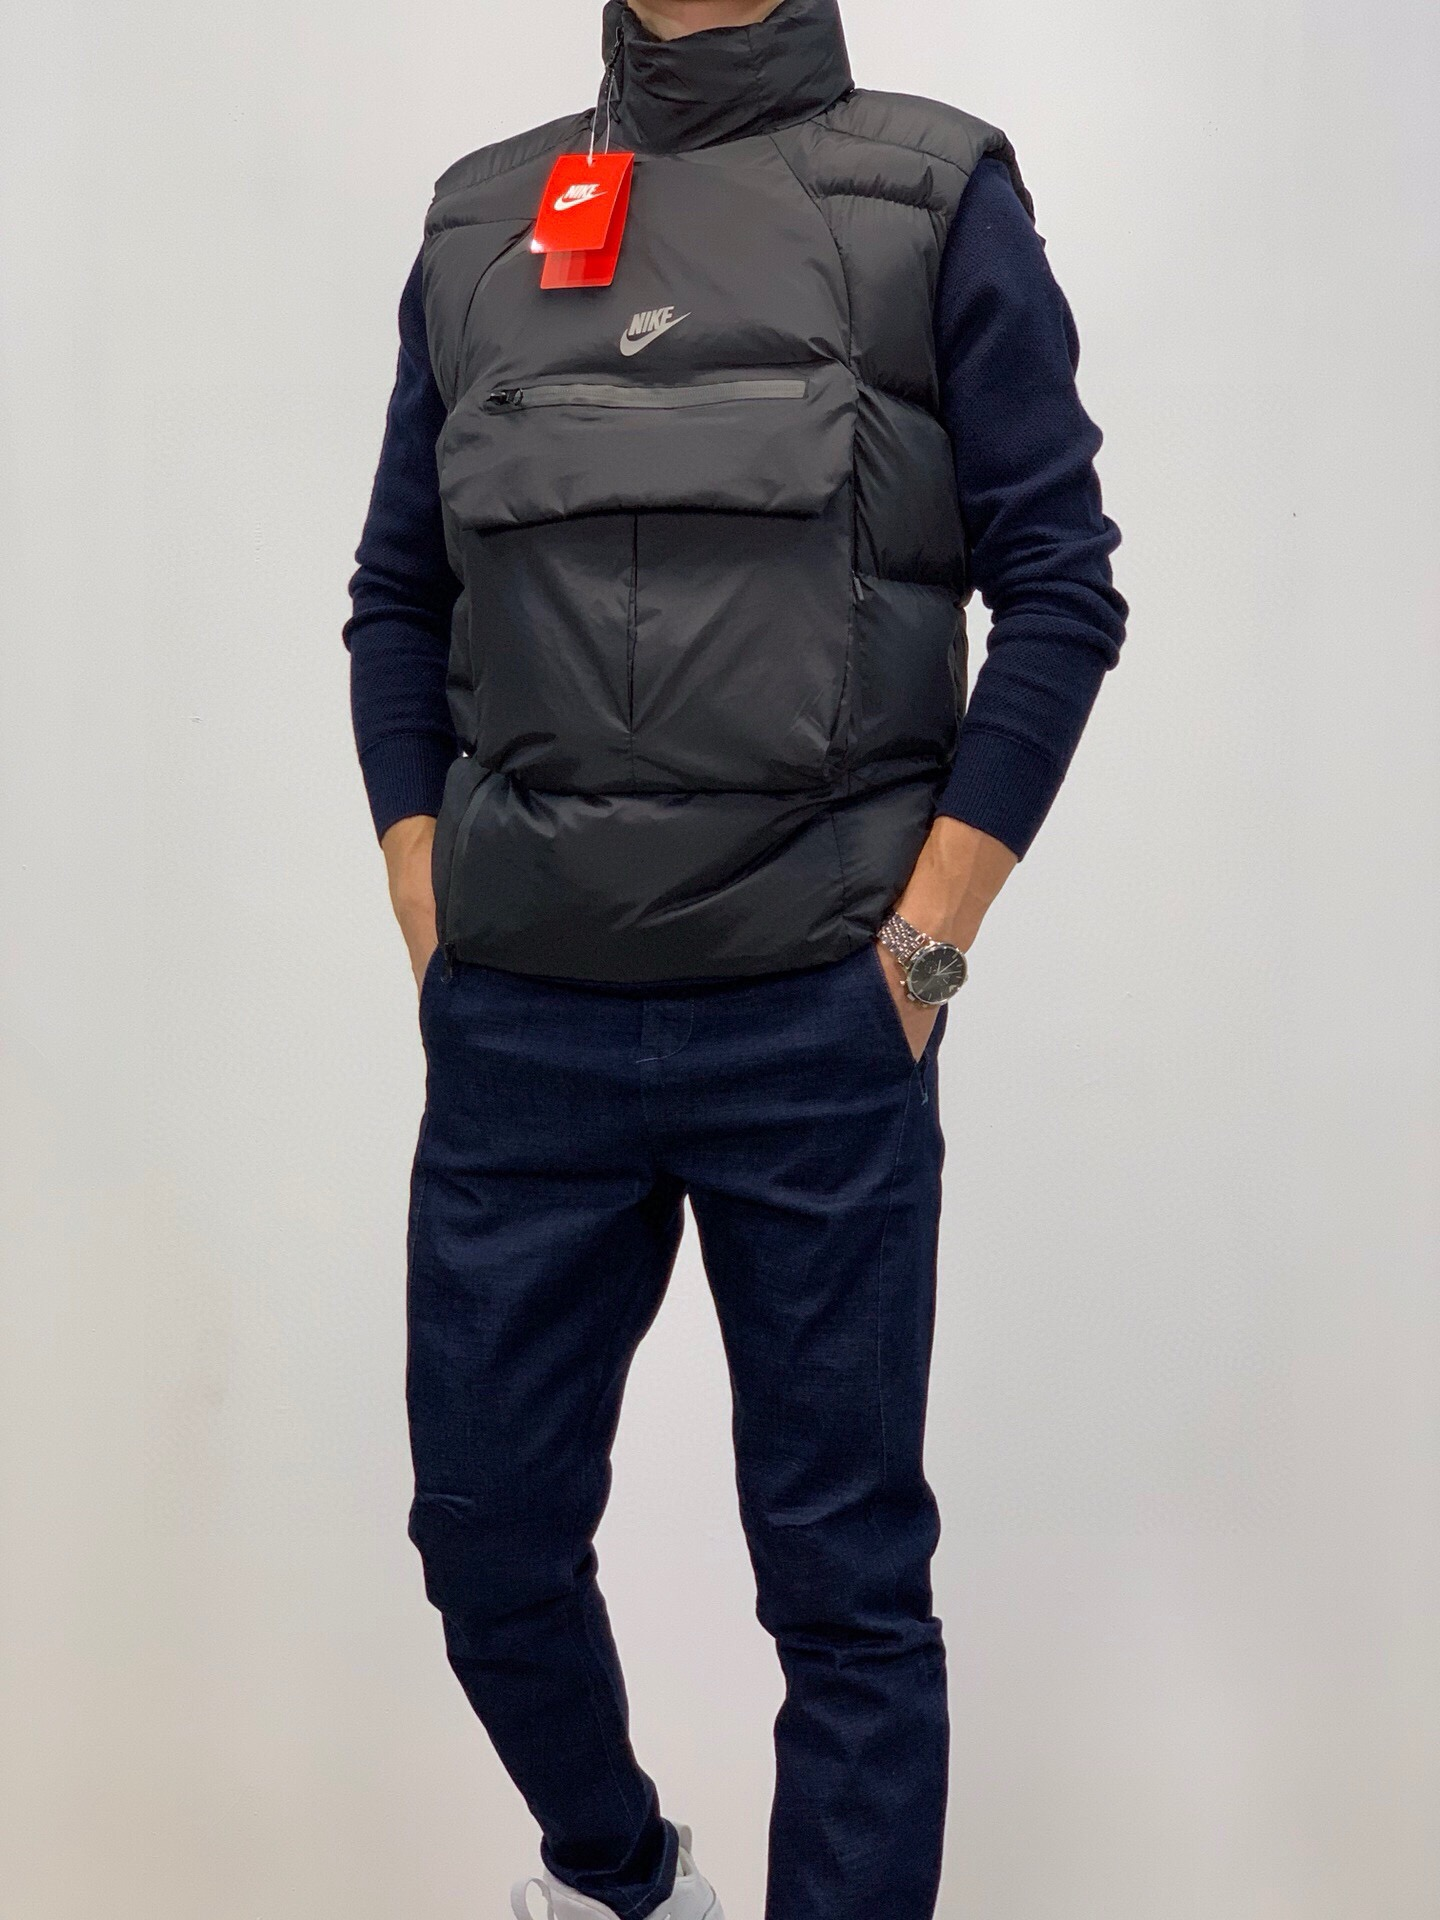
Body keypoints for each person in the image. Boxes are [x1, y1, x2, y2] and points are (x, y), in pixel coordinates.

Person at [343, 0, 1127, 1914]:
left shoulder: (937, 192)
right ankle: (621, 1879)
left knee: (845, 1586)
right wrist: (432, 905)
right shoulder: (483, 217)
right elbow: (396, 596)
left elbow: (1061, 582)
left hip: (815, 1024)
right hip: (525, 1031)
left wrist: (922, 951)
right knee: (485, 1540)